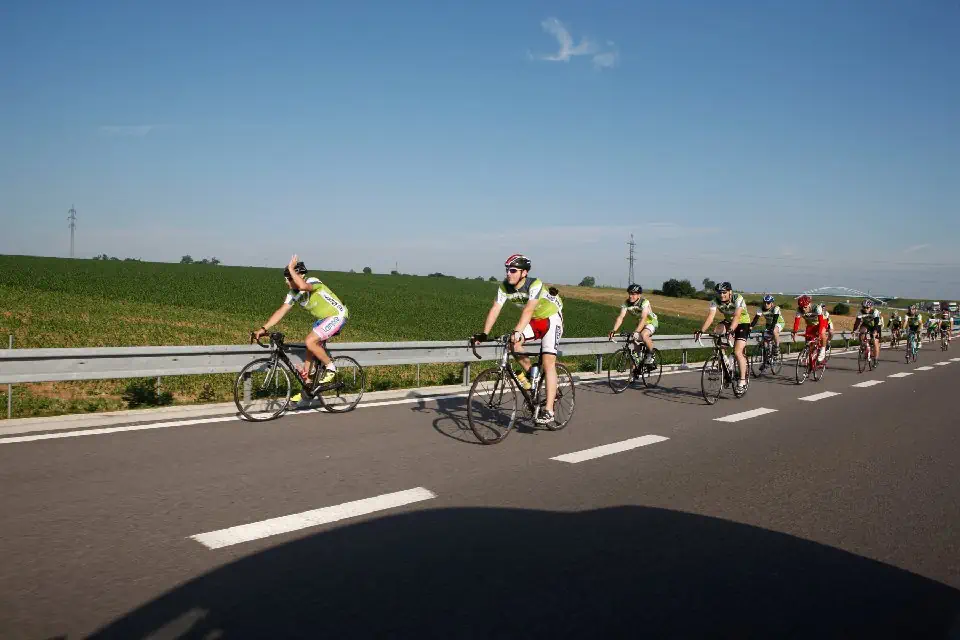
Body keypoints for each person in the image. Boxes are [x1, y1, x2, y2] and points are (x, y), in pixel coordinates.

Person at [474, 254, 563, 426]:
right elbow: (495, 308)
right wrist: (484, 333)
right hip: (535, 320)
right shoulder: (504, 287)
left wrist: (517, 331)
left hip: (551, 318)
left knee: (548, 362)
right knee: (513, 344)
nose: (509, 273)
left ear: (524, 272)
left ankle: (549, 411)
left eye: (513, 270)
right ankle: (532, 375)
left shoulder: (535, 284)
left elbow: (528, 309)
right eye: (507, 270)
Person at [254, 256, 349, 400]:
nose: (286, 282)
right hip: (322, 320)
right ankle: (307, 391)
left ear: (299, 276)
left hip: (337, 315)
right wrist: (263, 328)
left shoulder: (312, 281)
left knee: (310, 341)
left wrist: (291, 268)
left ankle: (331, 368)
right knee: (308, 361)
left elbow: (304, 287)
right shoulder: (293, 293)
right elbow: (281, 311)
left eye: (289, 278)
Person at [695, 282, 750, 395]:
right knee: (717, 331)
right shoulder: (715, 301)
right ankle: (725, 361)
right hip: (729, 322)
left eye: (724, 292)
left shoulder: (738, 298)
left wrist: (731, 330)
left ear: (730, 292)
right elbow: (710, 317)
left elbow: (737, 316)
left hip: (742, 323)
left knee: (738, 352)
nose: (721, 295)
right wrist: (701, 331)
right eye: (719, 293)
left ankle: (742, 381)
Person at [608, 284, 658, 366]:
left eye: (633, 294)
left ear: (639, 295)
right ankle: (635, 370)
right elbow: (621, 317)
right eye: (629, 294)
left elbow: (644, 318)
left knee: (644, 335)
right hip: (640, 324)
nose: (631, 296)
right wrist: (613, 330)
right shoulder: (626, 303)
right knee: (635, 350)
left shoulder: (644, 302)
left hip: (650, 322)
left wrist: (636, 331)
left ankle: (651, 354)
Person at [791, 295, 828, 364]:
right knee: (809, 342)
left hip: (821, 323)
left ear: (809, 304)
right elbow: (796, 322)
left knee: (822, 334)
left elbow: (821, 322)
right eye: (801, 307)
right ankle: (810, 356)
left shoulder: (817, 308)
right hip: (810, 325)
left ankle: (823, 350)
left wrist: (820, 333)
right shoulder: (799, 310)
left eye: (805, 307)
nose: (803, 309)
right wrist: (794, 332)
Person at [749, 294, 784, 360]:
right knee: (765, 343)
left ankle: (777, 347)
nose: (766, 304)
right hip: (769, 324)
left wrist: (771, 329)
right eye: (764, 302)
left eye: (768, 303)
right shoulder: (761, 308)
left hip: (779, 323)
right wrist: (750, 327)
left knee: (774, 331)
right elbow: (756, 319)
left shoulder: (776, 308)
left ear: (772, 303)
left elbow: (775, 320)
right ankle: (767, 359)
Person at [852, 299, 882, 365]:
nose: (865, 309)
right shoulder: (860, 312)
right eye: (864, 307)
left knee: (875, 341)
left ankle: (876, 359)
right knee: (861, 333)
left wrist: (875, 331)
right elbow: (857, 322)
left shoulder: (875, 311)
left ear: (871, 307)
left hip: (876, 325)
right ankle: (864, 346)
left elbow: (876, 322)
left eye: (867, 308)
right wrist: (854, 330)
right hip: (866, 324)